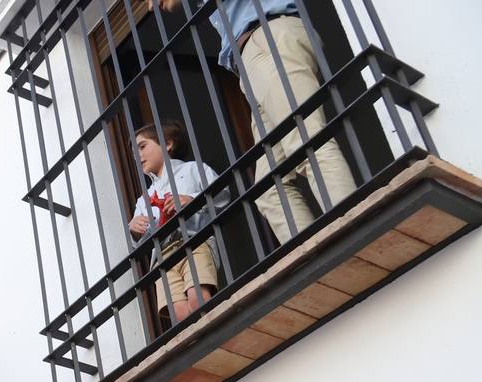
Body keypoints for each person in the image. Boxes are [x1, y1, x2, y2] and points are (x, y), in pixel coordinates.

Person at [152, 0, 356, 243]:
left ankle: (354, 227)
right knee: (269, 188)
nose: (151, 7)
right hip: (253, 57)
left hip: (267, 39)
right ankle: (315, 252)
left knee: (307, 143)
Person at [128, 120, 219, 324]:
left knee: (198, 298)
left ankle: (214, 331)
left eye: (142, 146)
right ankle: (198, 341)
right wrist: (134, 229)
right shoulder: (143, 199)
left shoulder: (193, 169)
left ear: (168, 144)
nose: (137, 156)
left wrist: (192, 199)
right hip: (162, 259)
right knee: (179, 314)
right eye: (134, 152)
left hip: (194, 242)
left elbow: (222, 193)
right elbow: (139, 241)